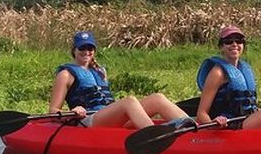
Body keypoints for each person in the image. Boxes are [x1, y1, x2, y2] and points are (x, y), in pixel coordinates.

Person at [49, 30, 190, 129]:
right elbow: (53, 111)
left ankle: (195, 130)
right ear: (74, 50)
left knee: (157, 98)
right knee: (129, 101)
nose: (86, 52)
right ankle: (153, 135)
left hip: (110, 118)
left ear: (94, 50)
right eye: (82, 48)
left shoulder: (100, 71)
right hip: (89, 120)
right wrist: (75, 110)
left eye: (90, 48)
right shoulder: (66, 74)